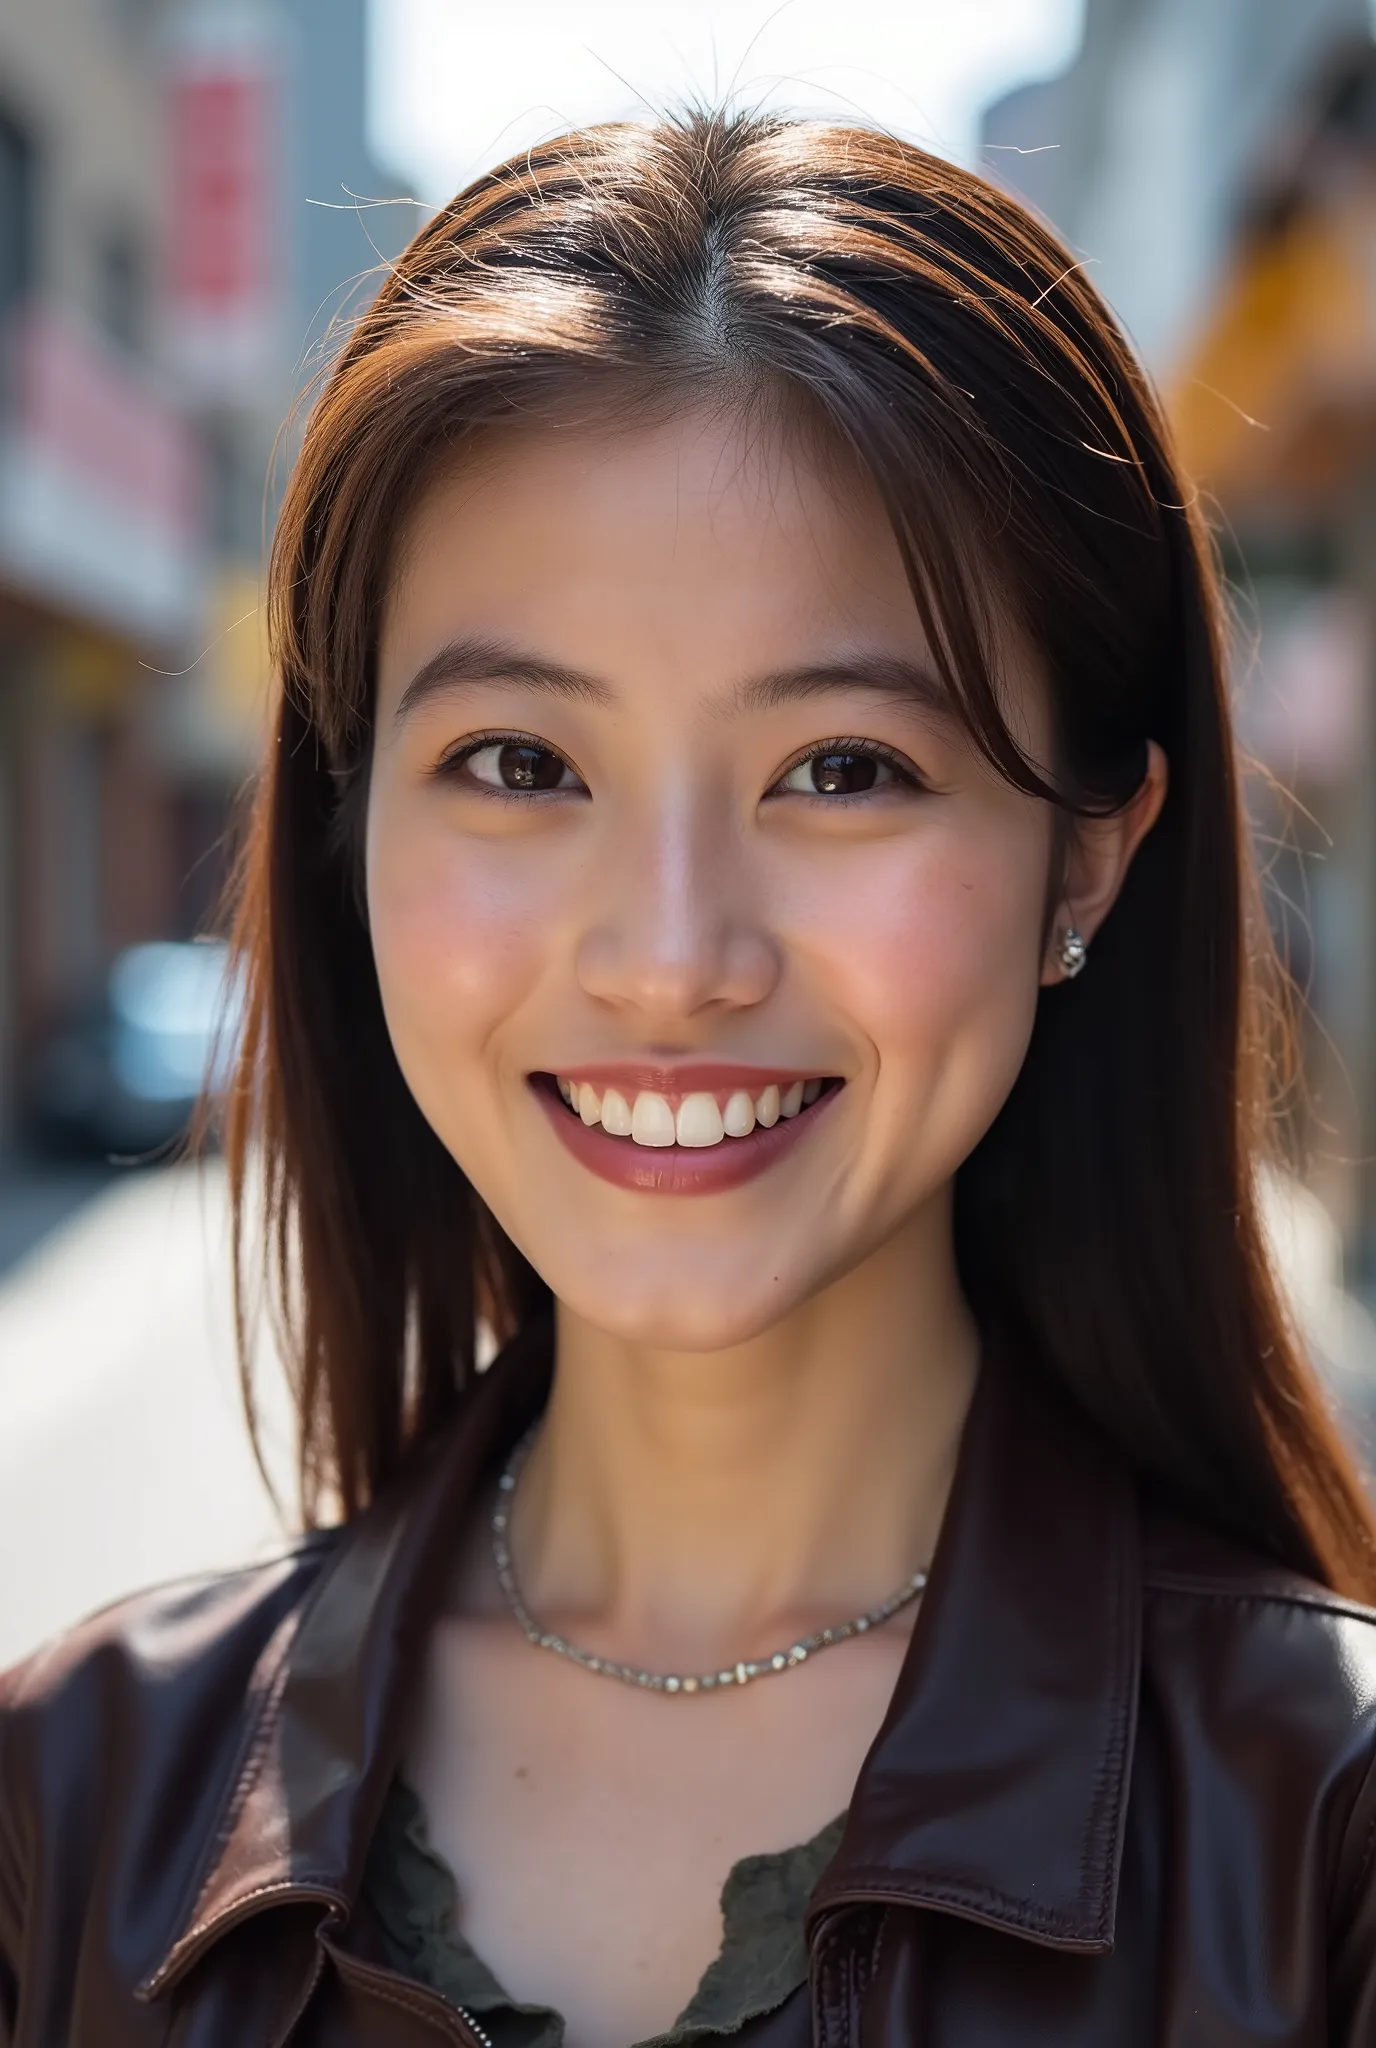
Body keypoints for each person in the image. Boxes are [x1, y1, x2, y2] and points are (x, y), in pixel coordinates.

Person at [3, 108, 1376, 2048]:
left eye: (841, 769)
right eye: (519, 764)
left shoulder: (1321, 1849)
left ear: (1085, 851)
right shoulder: (69, 1814)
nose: (668, 956)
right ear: (349, 819)